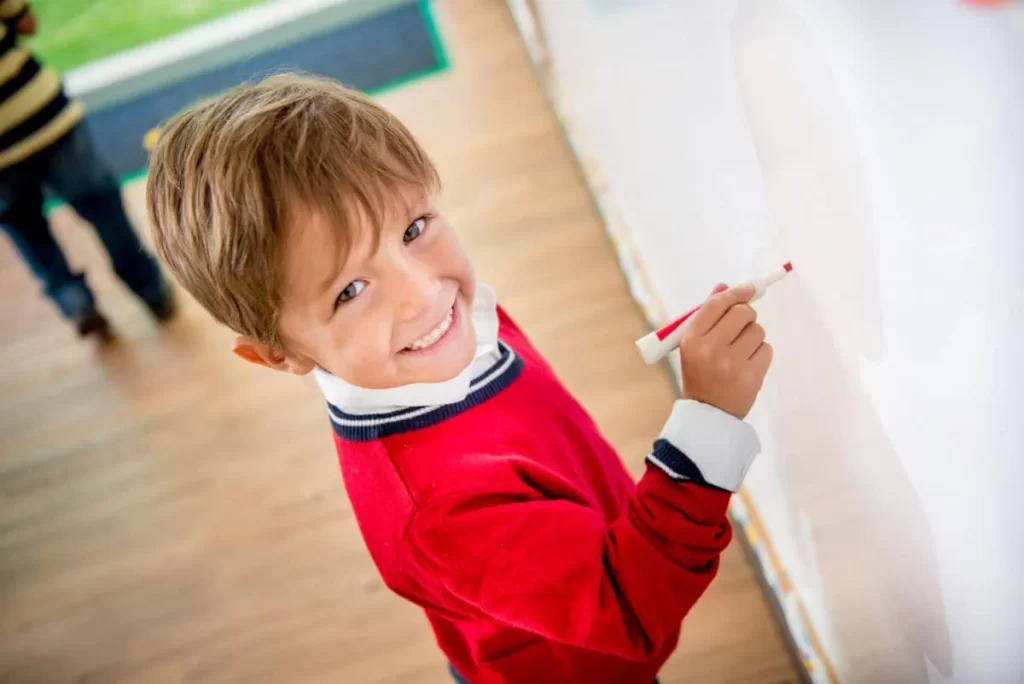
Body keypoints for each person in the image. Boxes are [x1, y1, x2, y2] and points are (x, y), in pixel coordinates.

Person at [146, 74, 774, 684]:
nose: (422, 294)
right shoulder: (440, 510)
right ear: (278, 355)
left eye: (413, 229)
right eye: (351, 290)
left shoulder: (450, 325)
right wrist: (707, 425)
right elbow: (630, 606)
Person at [0, 0, 174, 339]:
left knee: (26, 227)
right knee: (101, 205)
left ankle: (75, 301)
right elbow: (26, 24)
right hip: (41, 113)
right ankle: (150, 289)